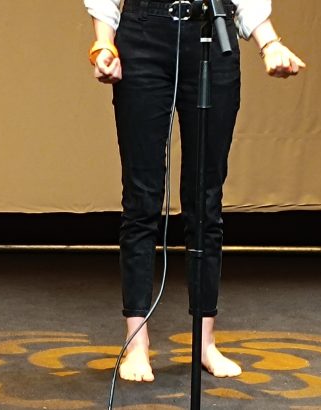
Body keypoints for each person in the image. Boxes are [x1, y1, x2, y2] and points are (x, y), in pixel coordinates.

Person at [84, 0, 305, 382]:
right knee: (141, 198)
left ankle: (205, 343)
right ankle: (136, 343)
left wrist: (269, 43)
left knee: (205, 201)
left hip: (210, 32)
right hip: (144, 33)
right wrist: (103, 43)